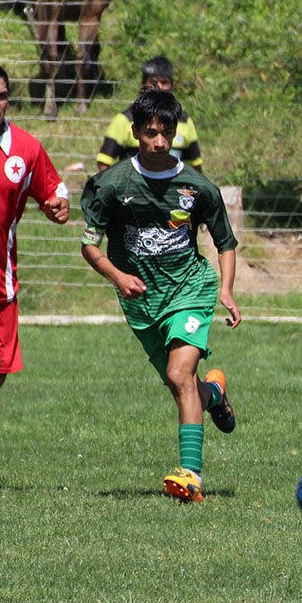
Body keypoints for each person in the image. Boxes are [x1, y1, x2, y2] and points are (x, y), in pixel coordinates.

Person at [80, 89, 238, 503]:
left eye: (166, 132)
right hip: (141, 301)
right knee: (183, 386)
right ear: (134, 132)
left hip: (190, 287)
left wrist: (225, 288)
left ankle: (190, 477)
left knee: (178, 375)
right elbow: (89, 245)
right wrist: (117, 276)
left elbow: (225, 241)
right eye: (150, 132)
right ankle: (215, 394)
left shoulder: (196, 187)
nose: (159, 142)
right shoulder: (112, 184)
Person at [0, 60, 71, 445]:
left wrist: (59, 205)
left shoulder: (25, 149)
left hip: (3, 280)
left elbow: (54, 190)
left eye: (1, 96)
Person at [96, 56, 203, 174]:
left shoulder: (184, 121)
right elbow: (104, 163)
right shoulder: (124, 120)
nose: (159, 87)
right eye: (153, 82)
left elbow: (195, 168)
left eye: (164, 82)